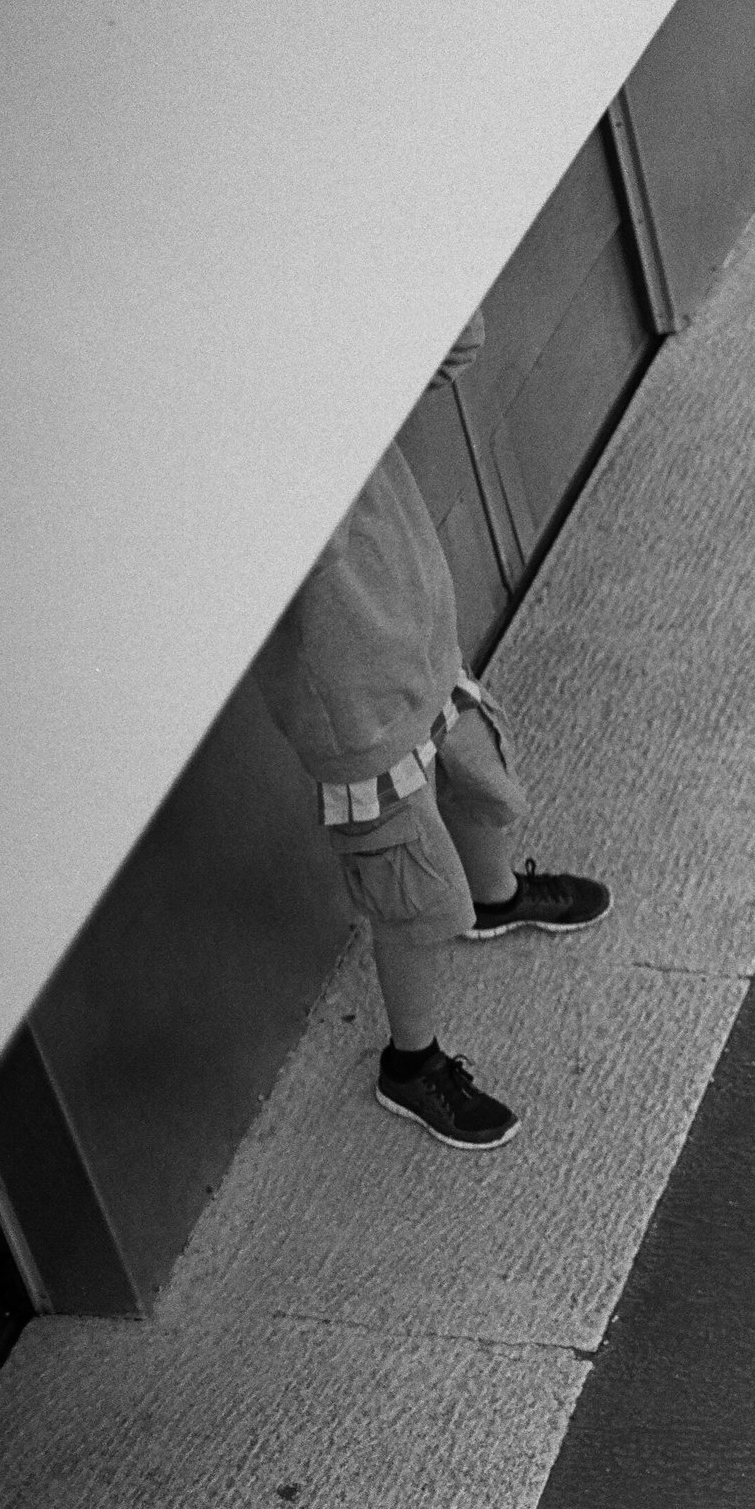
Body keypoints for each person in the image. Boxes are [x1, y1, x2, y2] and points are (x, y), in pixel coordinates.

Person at [253, 312, 610, 1151]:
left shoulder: (319, 369)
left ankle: (497, 899)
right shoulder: (248, 455)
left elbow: (456, 345)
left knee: (474, 772)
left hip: (418, 647)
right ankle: (413, 1064)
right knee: (410, 892)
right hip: (355, 710)